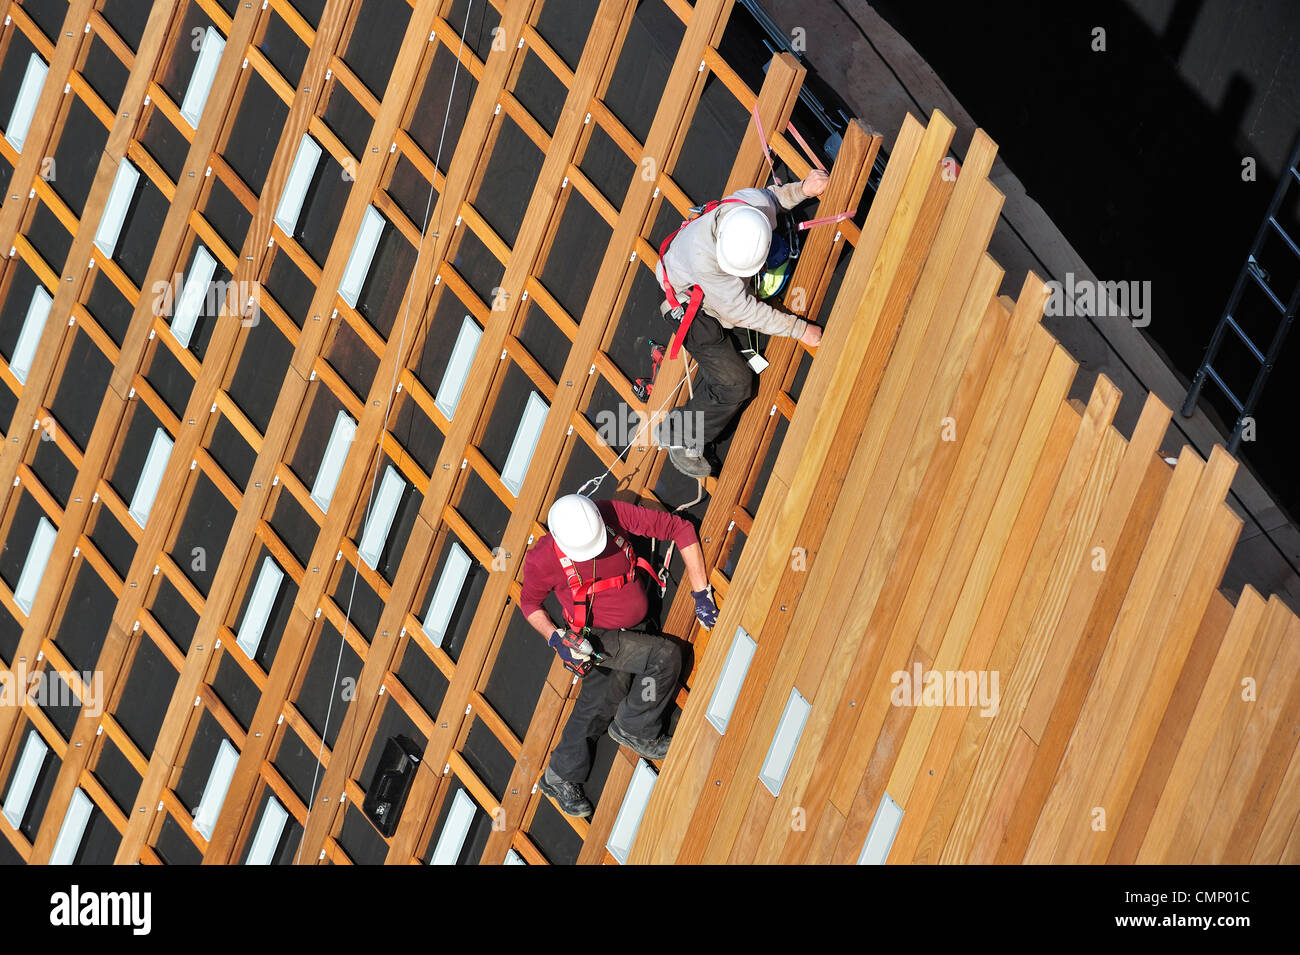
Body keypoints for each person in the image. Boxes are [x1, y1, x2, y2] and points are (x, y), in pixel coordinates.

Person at [522, 493, 719, 817]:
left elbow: (679, 529)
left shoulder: (608, 513)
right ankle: (636, 728)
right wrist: (556, 638)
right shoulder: (542, 559)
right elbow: (529, 603)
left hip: (637, 623)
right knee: (664, 658)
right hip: (596, 637)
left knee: (603, 697)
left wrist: (701, 592)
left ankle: (561, 775)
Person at [655, 170, 830, 478]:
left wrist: (804, 188)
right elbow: (744, 312)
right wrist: (800, 330)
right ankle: (679, 433)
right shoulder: (709, 265)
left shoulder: (749, 208)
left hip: (707, 278)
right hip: (688, 305)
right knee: (735, 383)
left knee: (776, 263)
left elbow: (776, 198)